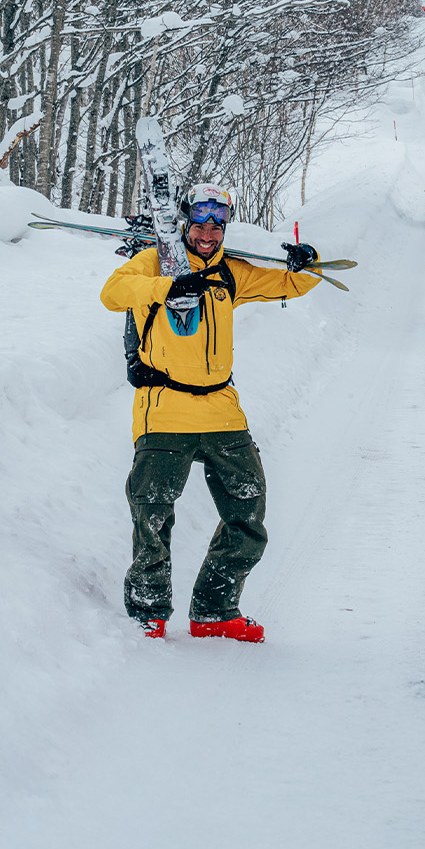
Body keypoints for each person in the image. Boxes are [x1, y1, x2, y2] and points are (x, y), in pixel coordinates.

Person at [100, 184, 320, 643]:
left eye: (215, 226)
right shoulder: (154, 264)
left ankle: (215, 611)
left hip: (221, 410)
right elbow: (114, 291)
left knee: (248, 509)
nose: (206, 234)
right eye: (199, 225)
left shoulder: (229, 275)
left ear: (224, 229)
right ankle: (148, 612)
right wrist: (169, 285)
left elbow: (289, 283)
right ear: (185, 224)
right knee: (152, 512)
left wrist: (305, 264)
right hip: (165, 411)